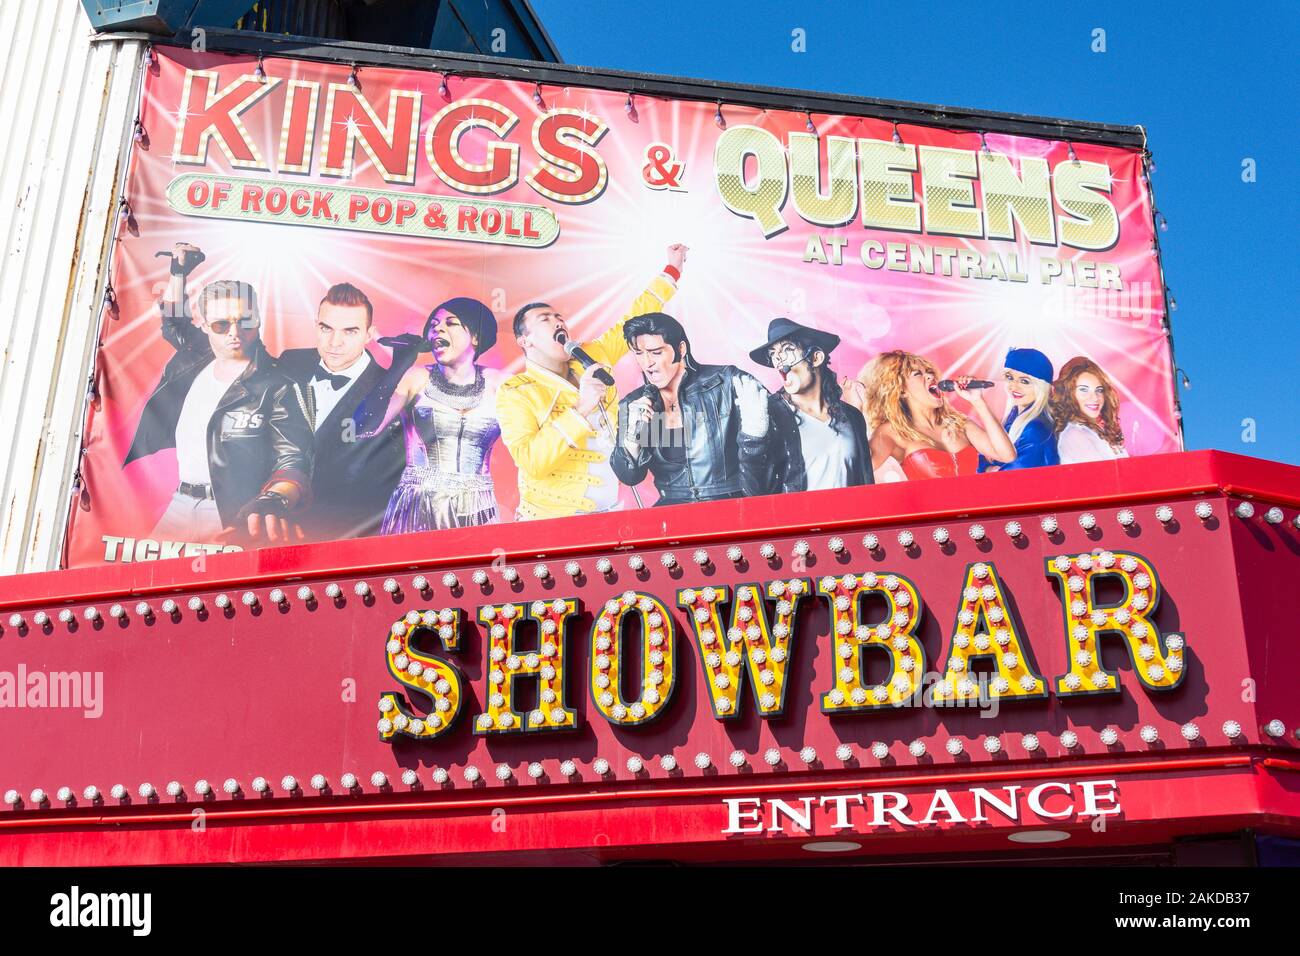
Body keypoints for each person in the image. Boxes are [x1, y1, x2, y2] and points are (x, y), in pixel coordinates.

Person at [124, 242, 313, 544]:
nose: (234, 334)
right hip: (180, 503)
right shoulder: (194, 357)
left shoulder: (277, 385)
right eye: (222, 324)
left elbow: (292, 460)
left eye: (245, 322)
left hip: (230, 513)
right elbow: (173, 321)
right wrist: (178, 273)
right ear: (207, 326)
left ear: (259, 319)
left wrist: (273, 501)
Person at [497, 243, 687, 520]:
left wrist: (671, 271)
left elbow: (634, 318)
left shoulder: (593, 355)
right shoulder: (515, 392)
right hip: (548, 523)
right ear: (525, 341)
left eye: (559, 317)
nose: (558, 322)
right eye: (545, 319)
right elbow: (532, 462)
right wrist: (581, 408)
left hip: (607, 515)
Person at [352, 297, 503, 531]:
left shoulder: (500, 383)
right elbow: (363, 427)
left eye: (451, 323)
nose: (438, 329)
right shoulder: (416, 377)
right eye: (433, 325)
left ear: (475, 336)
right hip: (418, 505)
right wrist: (399, 365)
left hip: (477, 508)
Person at [275, 283, 405, 540]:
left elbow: (384, 487)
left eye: (350, 331)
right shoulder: (290, 362)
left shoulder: (390, 392)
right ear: (316, 325)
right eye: (326, 328)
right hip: (273, 526)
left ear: (369, 334)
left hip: (338, 536)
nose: (335, 342)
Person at [611, 312, 776, 505]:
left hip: (731, 505)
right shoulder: (636, 403)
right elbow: (630, 477)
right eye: (639, 353)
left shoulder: (726, 382)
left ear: (681, 349)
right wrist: (632, 437)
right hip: (672, 514)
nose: (647, 363)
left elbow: (776, 454)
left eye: (656, 352)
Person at [748, 317, 873, 491]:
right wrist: (751, 438)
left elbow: (866, 481)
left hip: (851, 517)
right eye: (773, 354)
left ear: (815, 358)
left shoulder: (852, 416)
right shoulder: (769, 417)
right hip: (799, 518)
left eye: (788, 349)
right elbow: (753, 486)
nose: (778, 359)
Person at [862, 350, 1016, 480]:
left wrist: (978, 401)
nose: (930, 376)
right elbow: (860, 472)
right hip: (932, 514)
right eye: (918, 374)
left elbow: (1007, 455)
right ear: (901, 390)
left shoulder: (960, 424)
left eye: (929, 372)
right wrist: (854, 409)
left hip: (974, 510)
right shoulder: (892, 431)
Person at [977, 347, 1060, 473]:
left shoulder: (1037, 428)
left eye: (1024, 381)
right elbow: (983, 456)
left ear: (1041, 387)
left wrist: (990, 470)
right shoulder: (1011, 418)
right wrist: (988, 470)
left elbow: (1011, 480)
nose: (1013, 386)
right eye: (1010, 378)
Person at [1050, 356, 1129, 463]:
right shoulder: (1075, 434)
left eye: (1099, 390)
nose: (1095, 398)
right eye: (1084, 390)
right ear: (1068, 393)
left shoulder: (1094, 430)